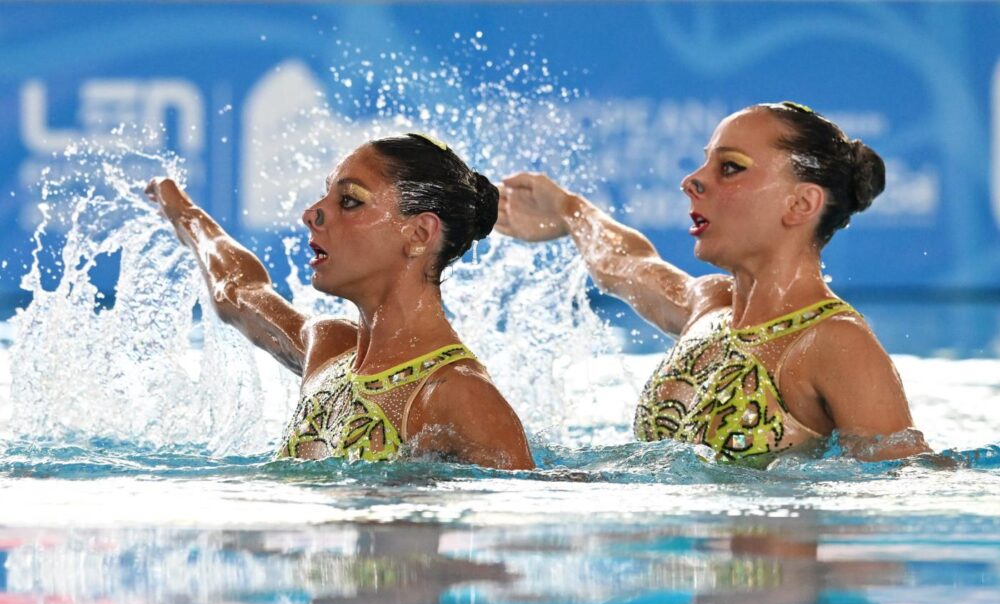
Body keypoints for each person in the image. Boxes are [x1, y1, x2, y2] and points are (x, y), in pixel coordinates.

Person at [496, 102, 930, 464]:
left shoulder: (833, 343)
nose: (693, 180)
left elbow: (903, 486)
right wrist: (569, 210)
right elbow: (625, 263)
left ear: (800, 203)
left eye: (730, 167)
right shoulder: (709, 309)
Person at [146, 133, 534, 470]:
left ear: (419, 233)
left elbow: (524, 522)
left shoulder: (457, 395)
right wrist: (186, 214)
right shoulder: (328, 351)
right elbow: (238, 291)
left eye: (349, 201)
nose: (311, 213)